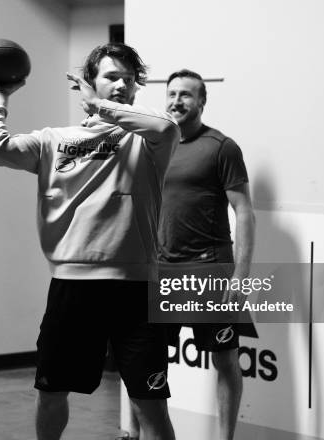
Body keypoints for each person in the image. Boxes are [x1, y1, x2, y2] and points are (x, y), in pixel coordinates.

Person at [0, 43, 179, 440]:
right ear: (89, 81)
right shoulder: (53, 140)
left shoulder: (149, 142)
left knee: (149, 402)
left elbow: (166, 127)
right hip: (73, 288)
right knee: (52, 393)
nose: (121, 85)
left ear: (137, 87)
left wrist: (100, 105)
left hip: (136, 292)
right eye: (110, 77)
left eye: (128, 78)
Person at [123, 69, 256, 440]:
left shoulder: (221, 147)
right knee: (143, 359)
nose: (177, 100)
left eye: (186, 94)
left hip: (209, 269)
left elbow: (244, 211)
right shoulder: (152, 144)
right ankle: (135, 433)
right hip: (158, 272)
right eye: (172, 94)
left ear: (202, 101)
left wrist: (241, 276)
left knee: (226, 359)